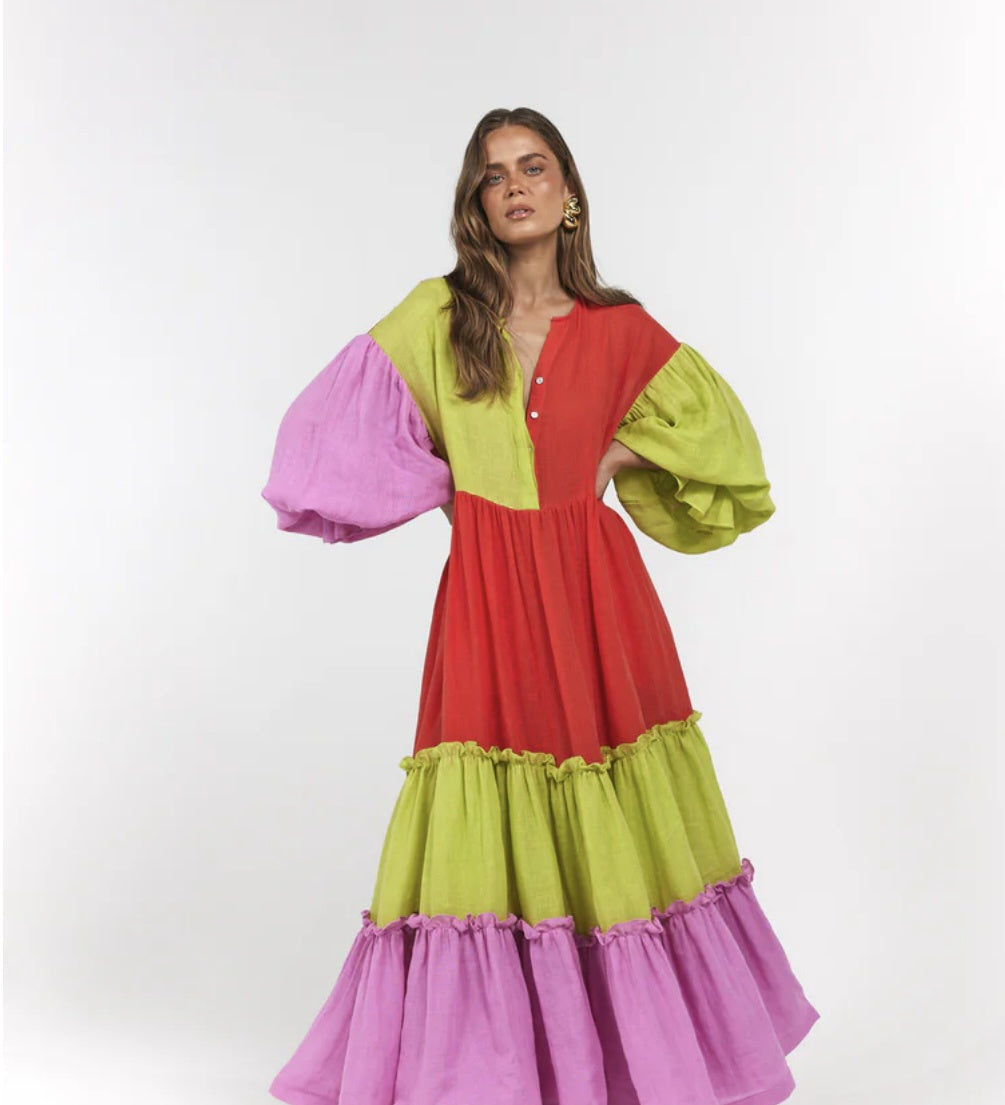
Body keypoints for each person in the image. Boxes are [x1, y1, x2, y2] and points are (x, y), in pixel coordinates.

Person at [260, 106, 819, 1105]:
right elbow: (321, 437)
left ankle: (632, 1073)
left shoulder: (619, 329)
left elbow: (731, 450)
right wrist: (442, 481)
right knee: (486, 827)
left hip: (600, 606)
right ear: (475, 202)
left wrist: (617, 454)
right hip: (486, 603)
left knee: (615, 831)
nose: (514, 185)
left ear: (568, 196)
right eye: (493, 174)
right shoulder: (438, 318)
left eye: (534, 167)